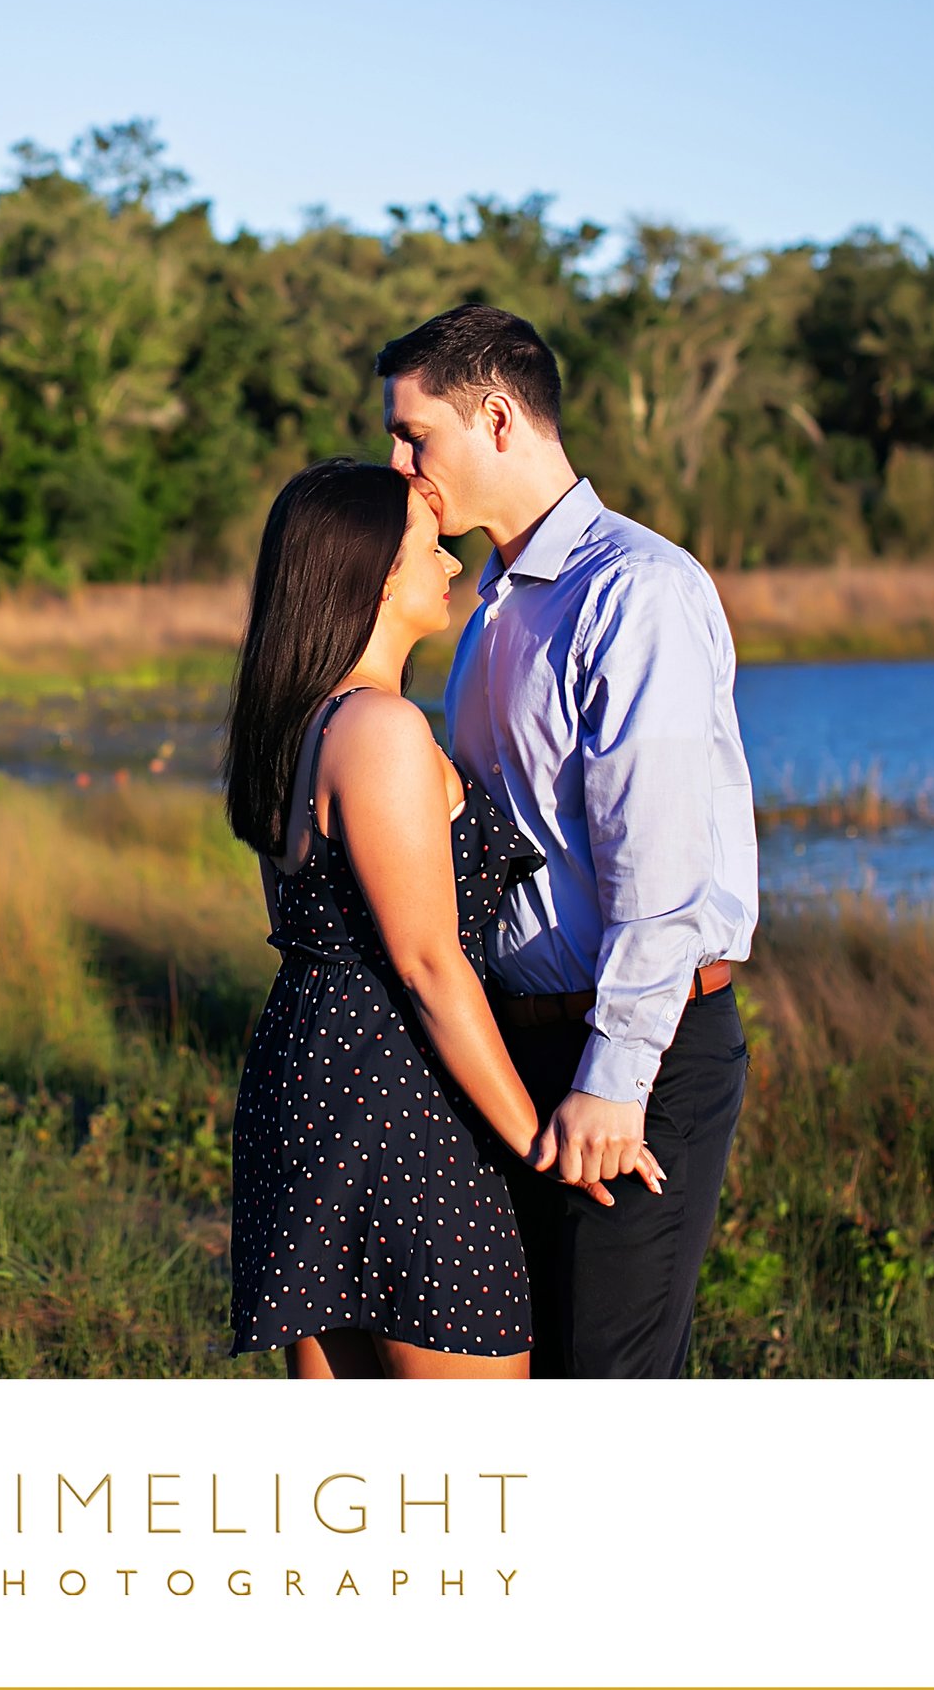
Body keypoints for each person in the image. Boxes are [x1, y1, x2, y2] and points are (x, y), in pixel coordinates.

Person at [377, 302, 760, 1380]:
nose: (402, 464)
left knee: (608, 1383)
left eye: (417, 436)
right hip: (517, 1046)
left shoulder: (635, 593)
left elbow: (666, 879)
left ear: (497, 418)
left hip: (632, 1048)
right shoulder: (492, 598)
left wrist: (612, 1079)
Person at [220, 457, 664, 1380]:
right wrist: (542, 1141)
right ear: (378, 574)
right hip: (394, 1101)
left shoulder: (294, 725)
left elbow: (310, 936)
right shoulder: (378, 730)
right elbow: (429, 966)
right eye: (430, 548)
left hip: (308, 1082)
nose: (453, 566)